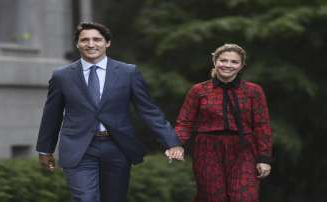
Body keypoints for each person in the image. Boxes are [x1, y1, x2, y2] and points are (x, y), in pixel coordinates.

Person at [36, 22, 184, 202]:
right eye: (85, 40)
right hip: (79, 148)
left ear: (107, 43)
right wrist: (45, 149)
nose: (91, 44)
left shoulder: (128, 72)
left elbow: (149, 111)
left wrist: (172, 143)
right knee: (86, 198)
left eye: (97, 39)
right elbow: (52, 115)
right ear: (77, 44)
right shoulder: (62, 76)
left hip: (117, 146)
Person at [175, 43, 273, 202]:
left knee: (245, 197)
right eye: (223, 60)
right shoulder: (199, 90)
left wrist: (264, 158)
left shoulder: (253, 91)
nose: (228, 65)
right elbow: (184, 122)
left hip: (244, 149)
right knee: (213, 197)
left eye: (234, 62)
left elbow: (262, 126)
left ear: (242, 66)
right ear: (215, 62)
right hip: (207, 149)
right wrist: (176, 143)